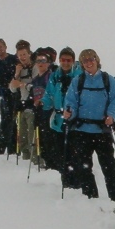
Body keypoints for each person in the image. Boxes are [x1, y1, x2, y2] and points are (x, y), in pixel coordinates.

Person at [63, 49, 115, 203]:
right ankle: (90, 197)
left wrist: (111, 115)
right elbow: (71, 100)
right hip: (82, 130)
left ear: (97, 60)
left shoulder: (108, 80)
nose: (88, 63)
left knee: (108, 166)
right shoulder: (78, 81)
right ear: (81, 64)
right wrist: (69, 112)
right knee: (84, 166)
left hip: (102, 130)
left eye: (91, 59)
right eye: (85, 61)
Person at [41, 47, 80, 176]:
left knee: (73, 151)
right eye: (63, 60)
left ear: (73, 61)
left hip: (74, 120)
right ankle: (65, 176)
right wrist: (43, 103)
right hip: (58, 119)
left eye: (68, 60)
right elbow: (49, 94)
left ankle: (74, 177)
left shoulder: (78, 76)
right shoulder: (55, 76)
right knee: (60, 150)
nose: (65, 63)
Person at [9, 40, 37, 162]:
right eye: (20, 55)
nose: (22, 57)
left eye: (24, 54)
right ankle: (25, 157)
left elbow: (36, 87)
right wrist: (16, 74)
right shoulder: (19, 69)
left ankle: (34, 158)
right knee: (22, 134)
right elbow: (12, 88)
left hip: (32, 105)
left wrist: (21, 84)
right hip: (22, 104)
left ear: (29, 54)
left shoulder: (35, 67)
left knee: (31, 133)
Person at [0, 38, 18, 155]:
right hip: (3, 94)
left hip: (13, 94)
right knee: (6, 119)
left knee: (8, 121)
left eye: (0, 47)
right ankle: (11, 148)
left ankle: (1, 148)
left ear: (5, 47)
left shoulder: (12, 59)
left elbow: (15, 75)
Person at [30, 50, 54, 169]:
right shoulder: (35, 79)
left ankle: (51, 162)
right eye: (38, 61)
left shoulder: (50, 77)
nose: (40, 63)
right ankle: (44, 159)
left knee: (48, 136)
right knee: (41, 135)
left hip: (49, 111)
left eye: (43, 61)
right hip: (38, 111)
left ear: (48, 63)